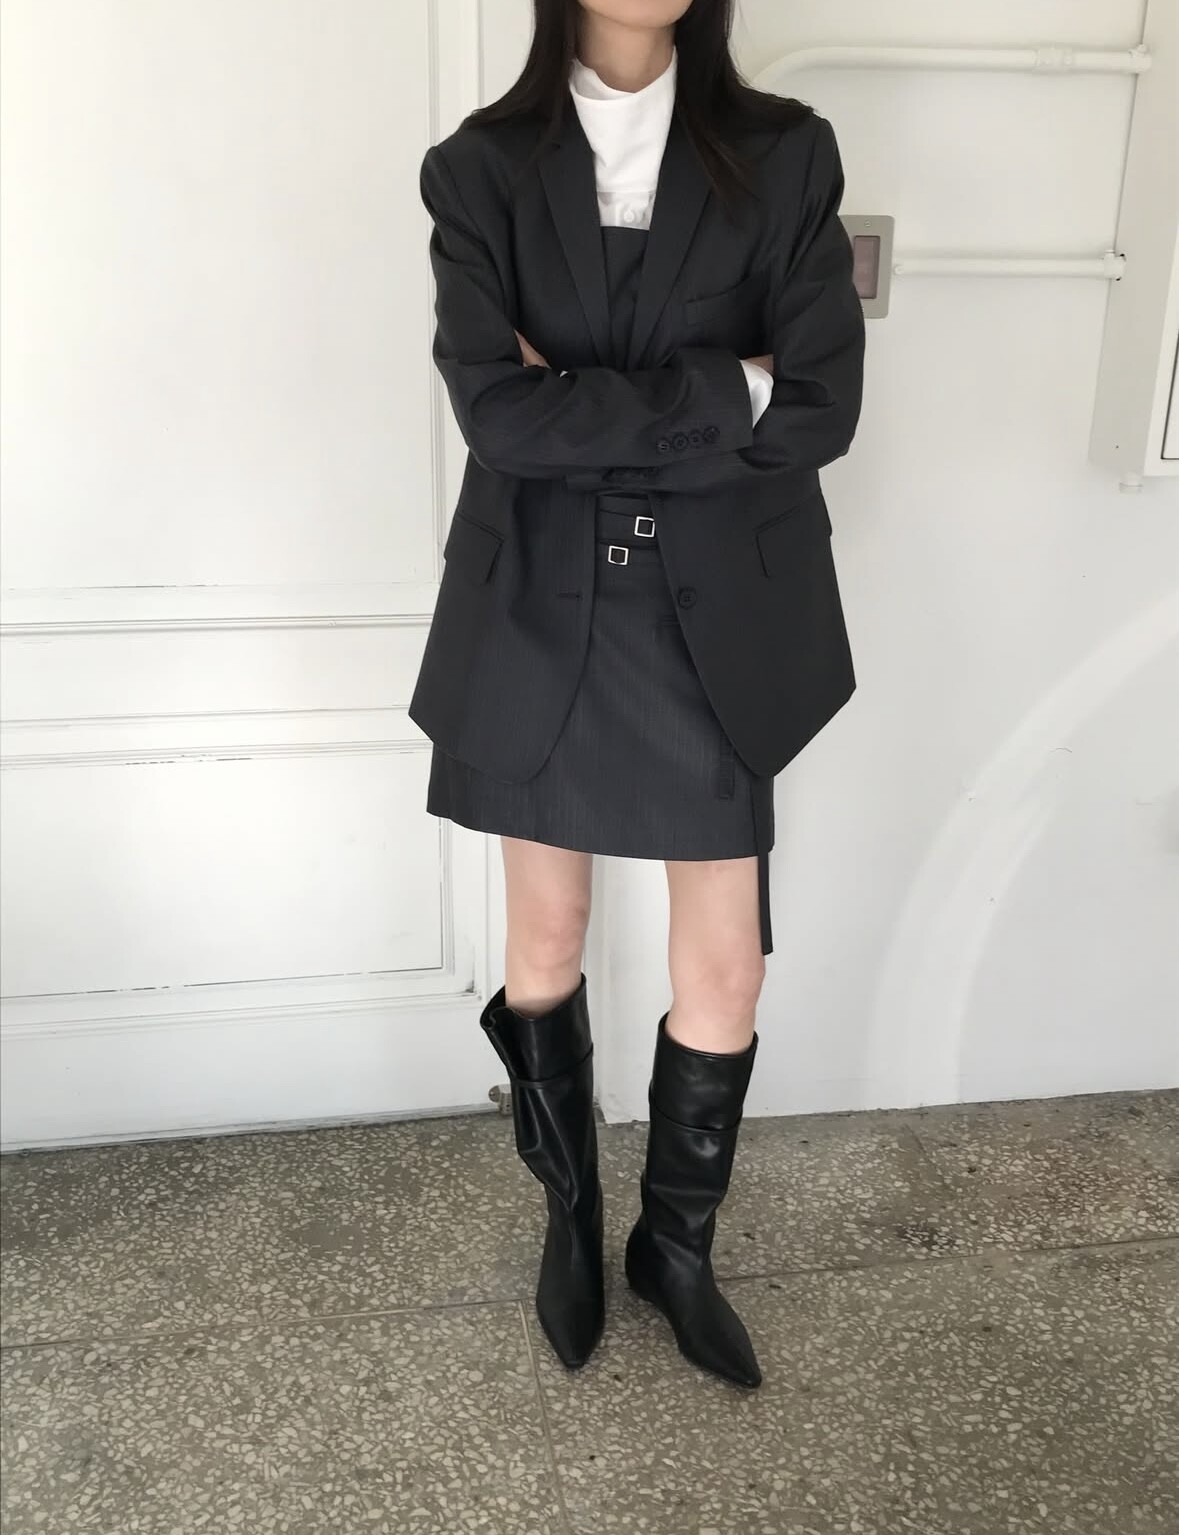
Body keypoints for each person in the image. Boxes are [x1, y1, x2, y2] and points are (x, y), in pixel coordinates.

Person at [412, 0, 865, 1390]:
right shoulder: (480, 167)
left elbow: (822, 408)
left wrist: (582, 407)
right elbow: (496, 415)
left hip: (711, 615)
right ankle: (570, 1220)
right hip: (535, 609)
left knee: (727, 967)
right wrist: (727, 388)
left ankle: (677, 1250)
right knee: (544, 940)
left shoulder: (785, 153)